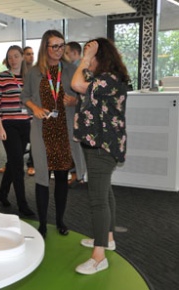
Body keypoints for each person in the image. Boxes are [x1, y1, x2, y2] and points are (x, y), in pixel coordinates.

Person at [72, 38, 129, 275]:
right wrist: (87, 58)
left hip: (102, 148)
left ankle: (99, 256)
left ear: (100, 57)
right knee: (105, 193)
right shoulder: (106, 80)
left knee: (97, 200)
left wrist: (85, 57)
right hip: (101, 145)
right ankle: (107, 238)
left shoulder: (108, 80)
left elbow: (75, 83)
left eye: (91, 57)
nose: (88, 62)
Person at [22, 30, 86, 238]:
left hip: (63, 131)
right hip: (42, 131)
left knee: (60, 177)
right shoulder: (33, 72)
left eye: (62, 45)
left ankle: (59, 220)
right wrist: (35, 108)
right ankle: (42, 223)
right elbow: (25, 97)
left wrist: (75, 102)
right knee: (42, 177)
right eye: (55, 46)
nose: (59, 50)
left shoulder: (70, 70)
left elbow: (84, 97)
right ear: (45, 48)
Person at [0, 45, 35, 217]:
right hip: (9, 125)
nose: (13, 60)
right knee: (18, 165)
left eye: (16, 56)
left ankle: (2, 193)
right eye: (10, 57)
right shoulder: (1, 77)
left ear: (22, 57)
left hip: (26, 124)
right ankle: (22, 205)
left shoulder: (29, 77)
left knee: (13, 161)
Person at [65, 41, 84, 186]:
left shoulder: (80, 70)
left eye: (67, 53)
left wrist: (76, 101)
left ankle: (79, 174)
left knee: (76, 145)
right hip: (69, 112)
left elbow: (87, 95)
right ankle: (77, 173)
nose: (64, 56)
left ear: (76, 53)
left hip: (78, 114)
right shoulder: (69, 69)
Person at [22, 46, 36, 176]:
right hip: (19, 110)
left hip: (32, 109)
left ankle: (31, 164)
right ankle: (9, 164)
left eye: (32, 54)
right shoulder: (19, 71)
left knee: (33, 138)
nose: (31, 56)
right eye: (28, 54)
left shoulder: (37, 71)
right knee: (17, 139)